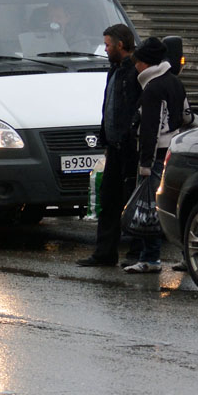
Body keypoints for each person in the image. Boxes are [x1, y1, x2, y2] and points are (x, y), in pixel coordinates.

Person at [76, 24, 142, 267]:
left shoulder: (135, 70)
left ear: (120, 45)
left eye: (107, 45)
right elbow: (110, 106)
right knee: (108, 198)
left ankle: (137, 252)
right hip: (114, 146)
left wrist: (130, 136)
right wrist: (106, 139)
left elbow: (135, 108)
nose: (105, 49)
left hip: (130, 148)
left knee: (133, 200)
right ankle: (104, 253)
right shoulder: (114, 69)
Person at [123, 36, 187, 274]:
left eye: (138, 61)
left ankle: (150, 259)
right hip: (174, 151)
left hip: (156, 155)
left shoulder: (153, 87)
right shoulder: (174, 82)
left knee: (150, 208)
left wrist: (145, 164)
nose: (136, 65)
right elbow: (187, 115)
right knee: (174, 207)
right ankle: (188, 257)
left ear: (147, 63)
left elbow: (151, 128)